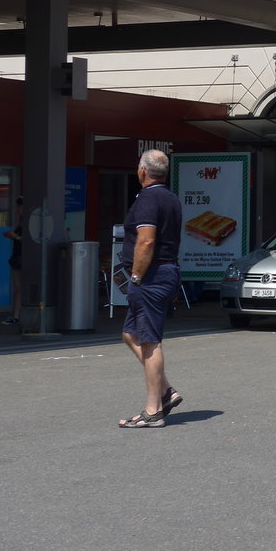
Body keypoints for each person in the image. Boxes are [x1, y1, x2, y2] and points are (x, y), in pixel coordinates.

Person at [118, 150, 184, 429]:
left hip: (151, 276)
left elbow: (145, 241)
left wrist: (136, 276)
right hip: (163, 273)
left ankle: (153, 410)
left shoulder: (148, 198)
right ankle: (166, 391)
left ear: (143, 171)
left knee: (149, 341)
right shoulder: (170, 197)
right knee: (130, 334)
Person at [1, 196, 22, 326]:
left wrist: (16, 237)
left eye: (20, 206)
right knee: (18, 287)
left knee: (20, 287)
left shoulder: (30, 221)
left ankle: (17, 315)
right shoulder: (21, 221)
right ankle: (16, 315)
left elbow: (33, 239)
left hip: (23, 257)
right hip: (17, 256)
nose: (18, 209)